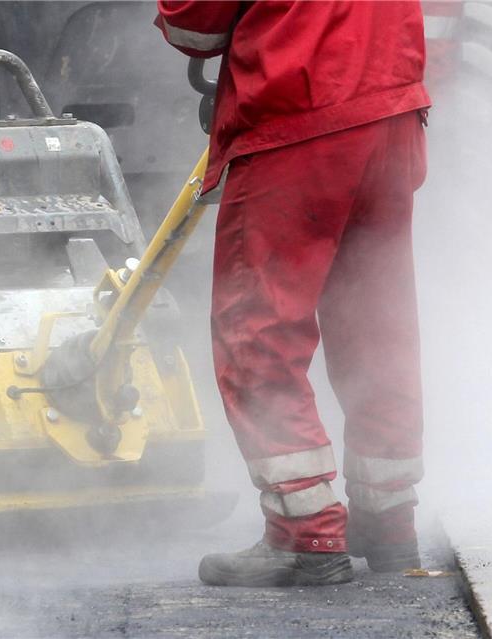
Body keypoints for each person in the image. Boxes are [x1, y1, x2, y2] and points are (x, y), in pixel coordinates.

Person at [156, 1, 431, 587]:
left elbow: (193, 25)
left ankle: (306, 530)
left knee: (256, 326)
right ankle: (387, 513)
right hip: (391, 110)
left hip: (300, 109)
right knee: (374, 322)